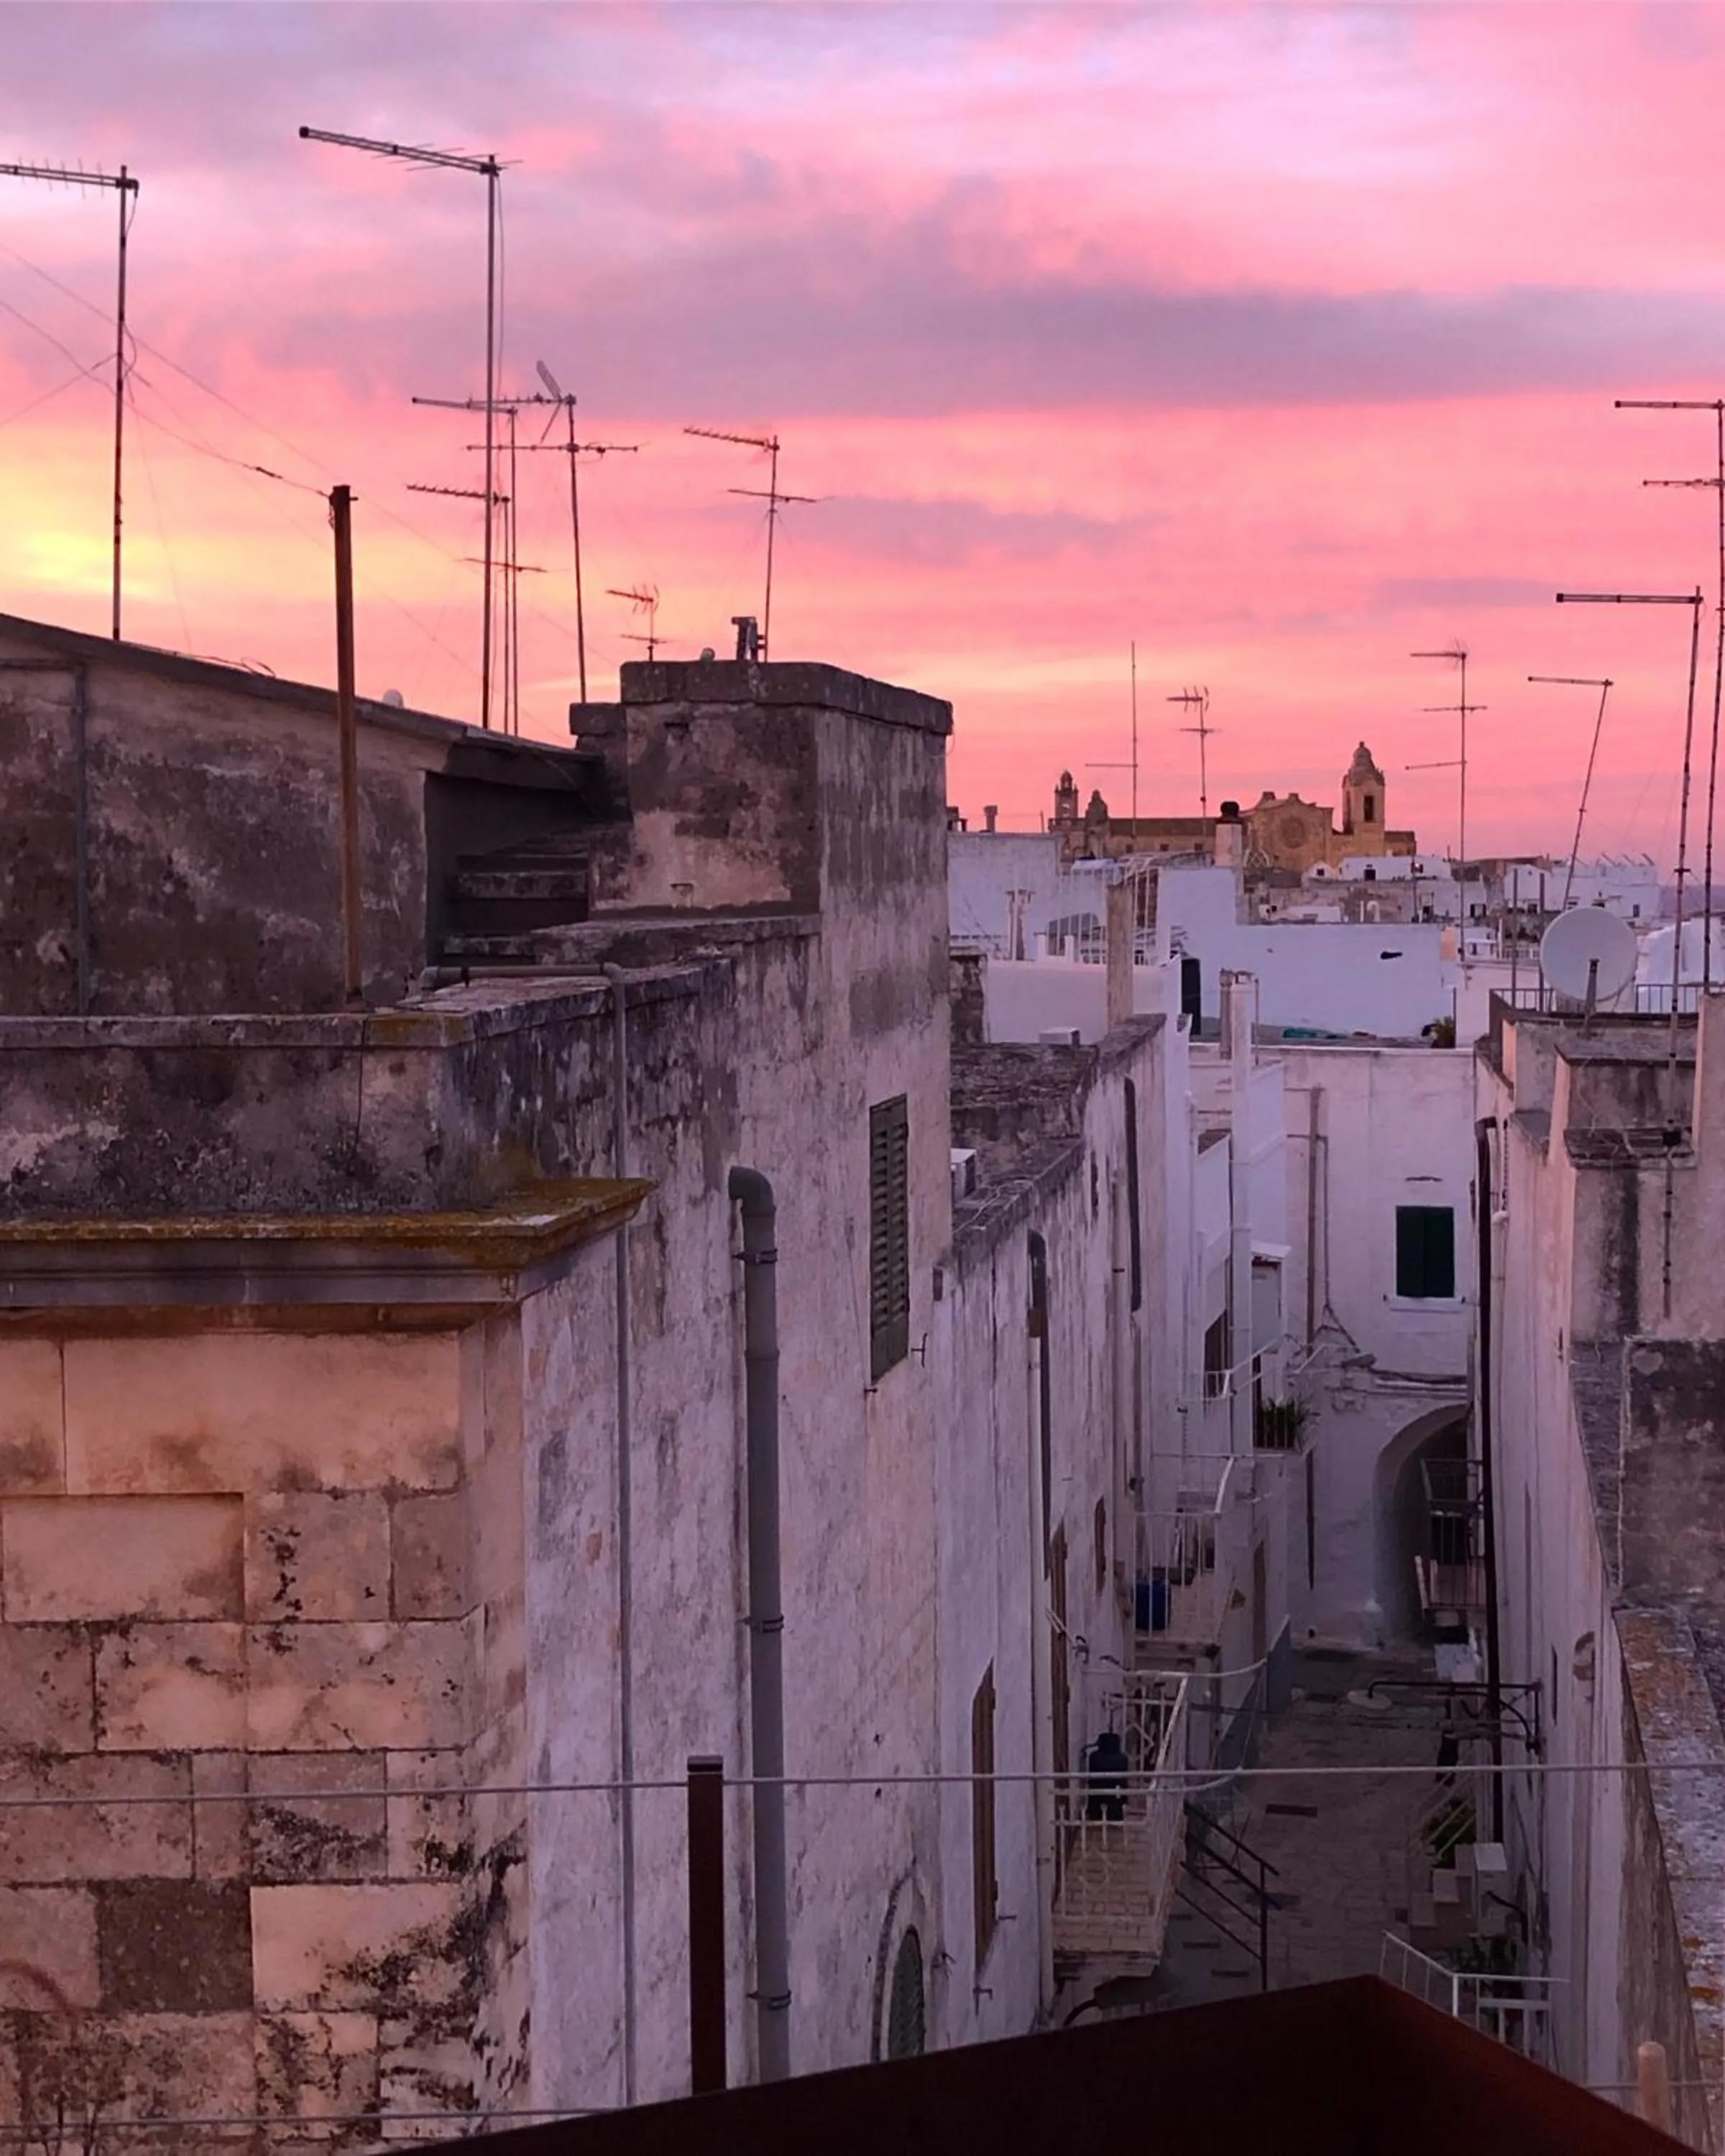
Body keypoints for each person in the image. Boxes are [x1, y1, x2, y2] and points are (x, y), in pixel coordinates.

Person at [1085, 1730, 1129, 1821]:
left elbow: (1092, 1781)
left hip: (1096, 1803)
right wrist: (1125, 1800)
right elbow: (1124, 1782)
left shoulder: (1094, 1757)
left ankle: (1094, 1813)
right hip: (1115, 1803)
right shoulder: (1122, 1759)